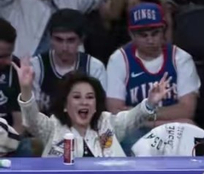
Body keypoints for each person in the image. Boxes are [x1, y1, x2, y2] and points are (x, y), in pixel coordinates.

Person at [13, 58, 170, 157]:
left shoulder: (108, 123)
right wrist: (26, 89)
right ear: (65, 105)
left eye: (90, 97)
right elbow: (31, 120)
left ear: (96, 105)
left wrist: (150, 102)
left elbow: (134, 117)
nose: (84, 102)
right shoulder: (52, 127)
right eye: (77, 97)